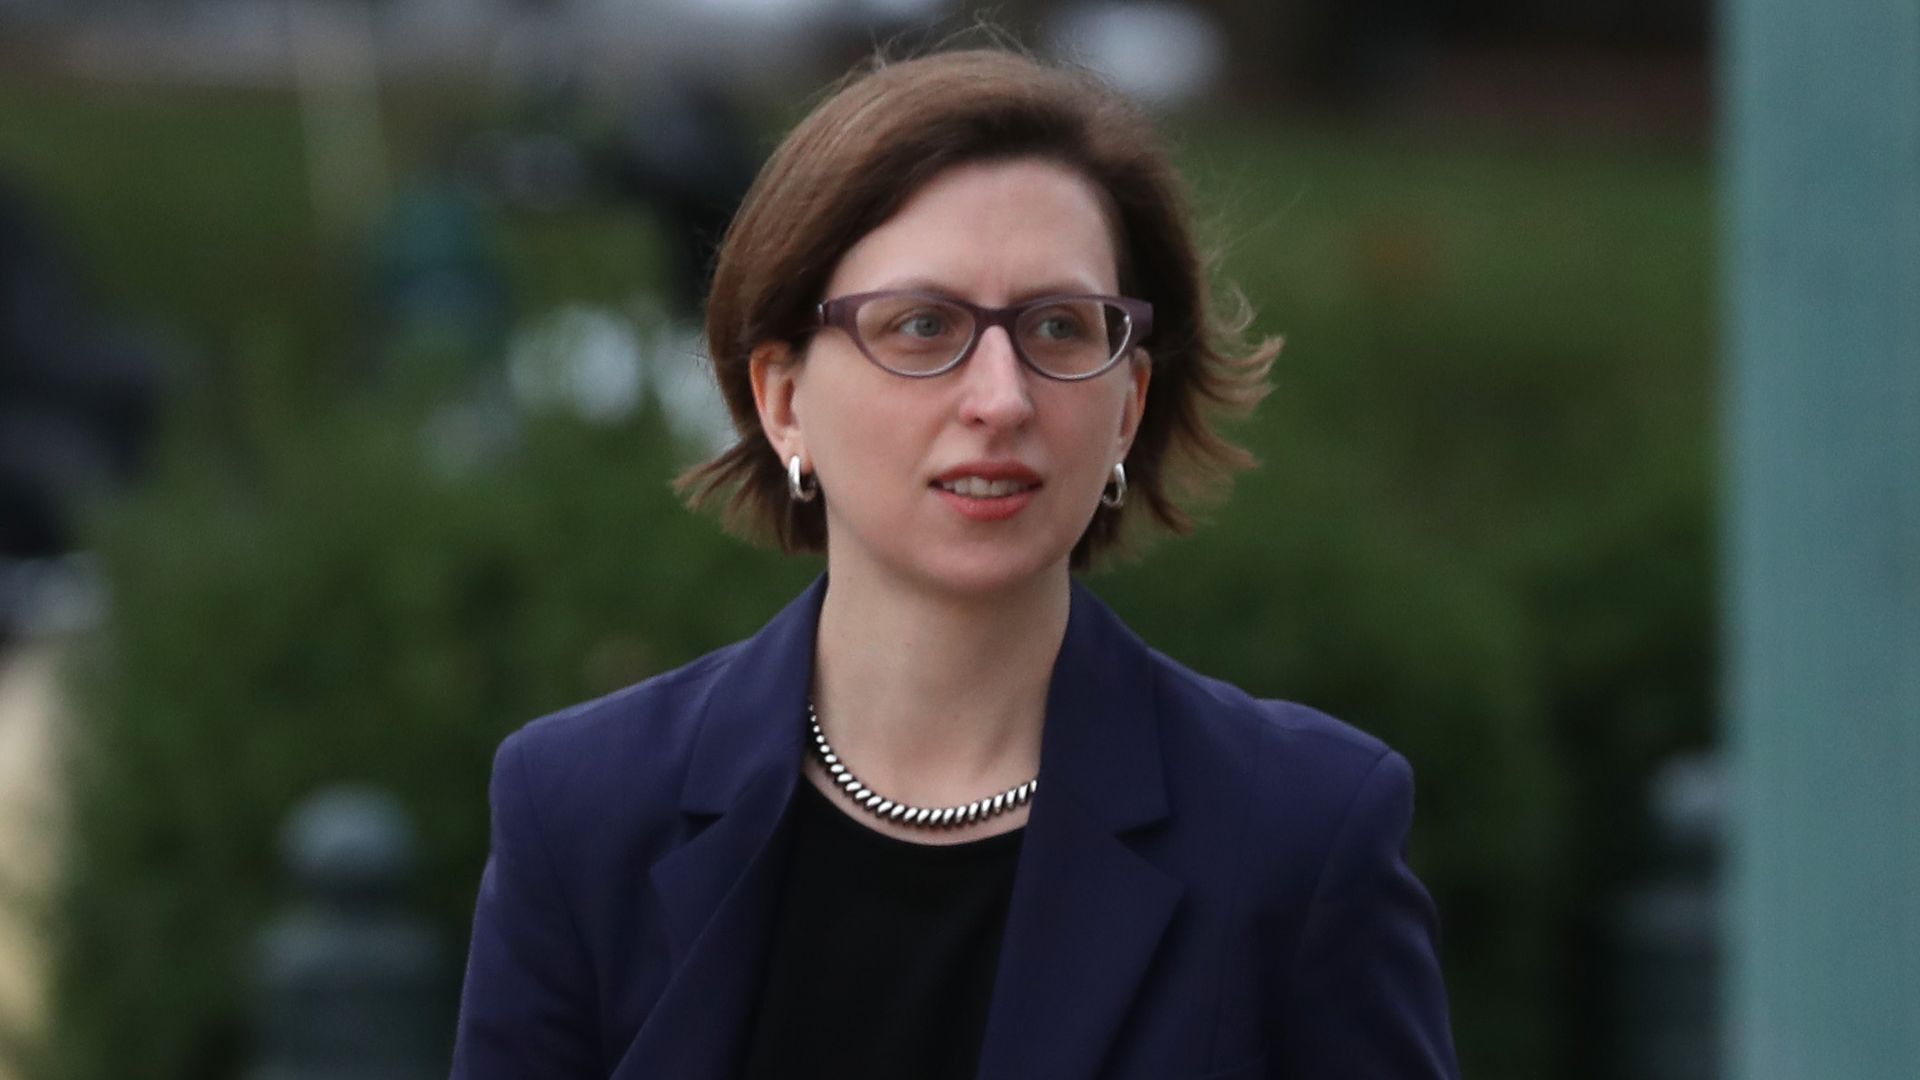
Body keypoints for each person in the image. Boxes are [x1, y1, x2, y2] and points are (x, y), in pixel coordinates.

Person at [452, 47, 1458, 1080]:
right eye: (922, 326)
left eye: (1060, 328)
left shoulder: (1300, 831)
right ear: (782, 398)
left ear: (1130, 404)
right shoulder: (581, 810)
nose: (1001, 398)